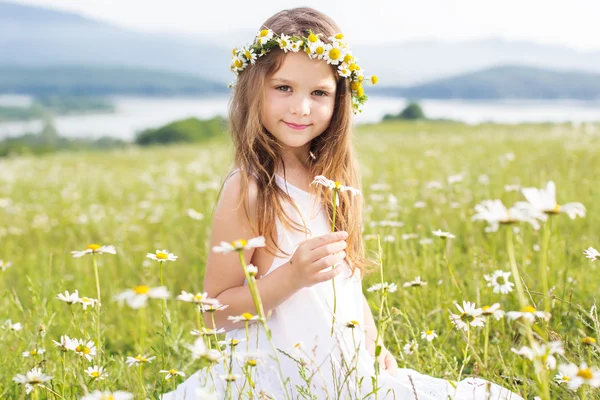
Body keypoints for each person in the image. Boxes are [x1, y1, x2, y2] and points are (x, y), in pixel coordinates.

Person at [163, 7, 523, 399]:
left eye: (319, 93)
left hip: (346, 369)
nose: (301, 107)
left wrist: (373, 344)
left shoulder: (334, 181)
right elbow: (214, 314)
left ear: (339, 101)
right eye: (283, 88)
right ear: (254, 89)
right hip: (279, 377)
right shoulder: (251, 188)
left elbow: (347, 285)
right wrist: (291, 277)